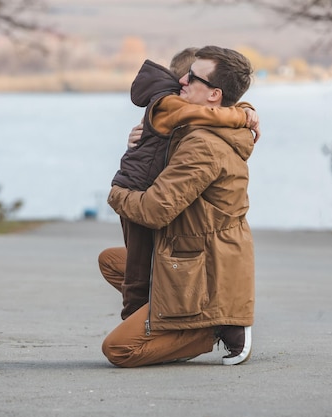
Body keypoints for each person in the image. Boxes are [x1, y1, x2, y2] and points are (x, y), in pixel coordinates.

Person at [101, 45, 257, 367]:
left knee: (118, 349)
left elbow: (154, 211)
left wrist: (116, 194)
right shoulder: (195, 129)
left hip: (201, 275)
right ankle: (174, 327)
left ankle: (204, 330)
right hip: (190, 260)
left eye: (191, 77)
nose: (181, 80)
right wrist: (144, 145)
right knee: (113, 262)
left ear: (214, 95)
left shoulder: (202, 145)